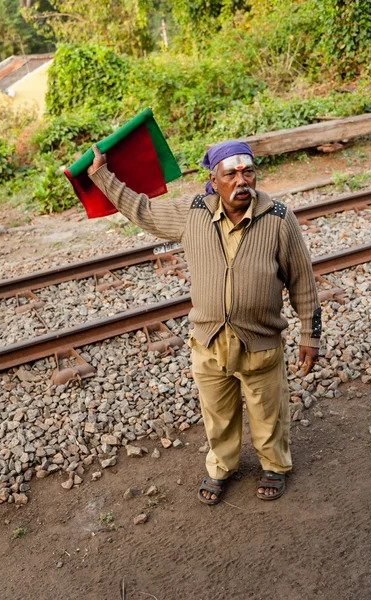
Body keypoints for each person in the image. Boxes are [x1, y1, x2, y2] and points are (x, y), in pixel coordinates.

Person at [87, 140, 321, 504]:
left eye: (248, 172)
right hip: (209, 340)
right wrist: (101, 175)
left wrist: (311, 333)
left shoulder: (278, 217)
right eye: (231, 174)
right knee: (218, 413)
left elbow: (302, 280)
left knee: (267, 409)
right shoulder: (192, 212)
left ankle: (274, 465)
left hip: (260, 340)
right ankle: (222, 467)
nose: (242, 181)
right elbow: (143, 210)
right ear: (214, 179)